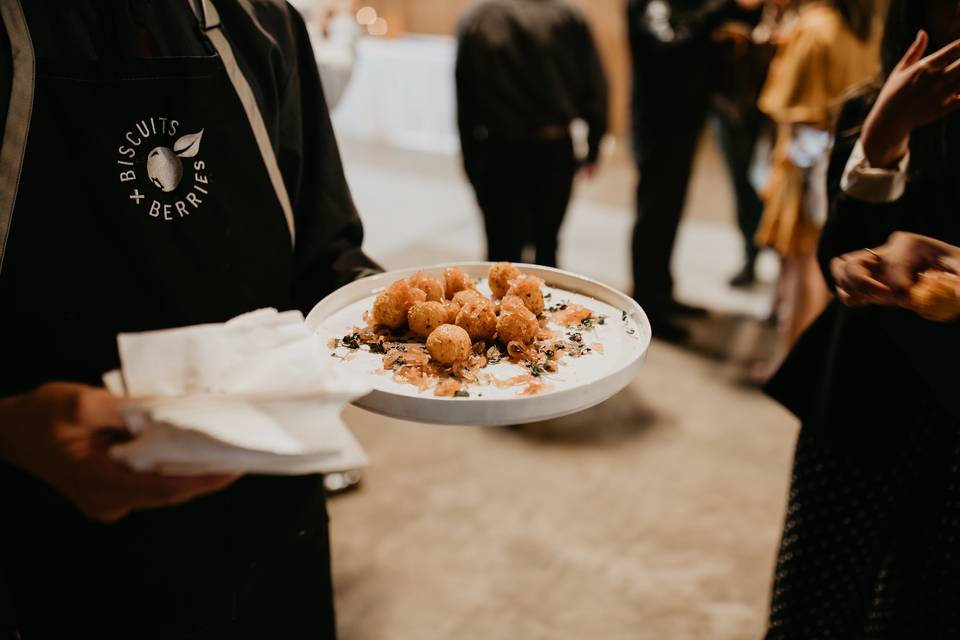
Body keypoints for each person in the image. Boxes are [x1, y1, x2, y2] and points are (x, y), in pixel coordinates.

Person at [0, 1, 379, 638]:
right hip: (45, 545)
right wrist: (10, 430)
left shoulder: (264, 24)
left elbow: (325, 256)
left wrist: (395, 315)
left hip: (274, 519)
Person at [763, 0, 960, 634]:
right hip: (860, 396)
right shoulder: (874, 108)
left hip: (951, 415)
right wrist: (884, 137)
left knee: (923, 605)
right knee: (816, 600)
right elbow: (837, 255)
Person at [752, 0, 879, 377]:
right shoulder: (864, 28)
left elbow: (785, 103)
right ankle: (802, 359)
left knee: (800, 265)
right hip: (841, 154)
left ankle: (787, 362)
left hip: (804, 160)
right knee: (817, 262)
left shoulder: (815, 27)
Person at [627, 0, 764, 342]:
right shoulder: (649, 4)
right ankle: (647, 304)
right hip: (658, 125)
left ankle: (662, 293)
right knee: (654, 215)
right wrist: (722, 9)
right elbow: (671, 43)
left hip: (685, 121)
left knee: (670, 212)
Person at [456, 0, 608, 268]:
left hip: (498, 154)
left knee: (501, 256)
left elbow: (465, 100)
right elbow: (594, 85)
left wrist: (470, 160)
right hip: (553, 149)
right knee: (547, 246)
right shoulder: (569, 17)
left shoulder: (477, 18)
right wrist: (594, 144)